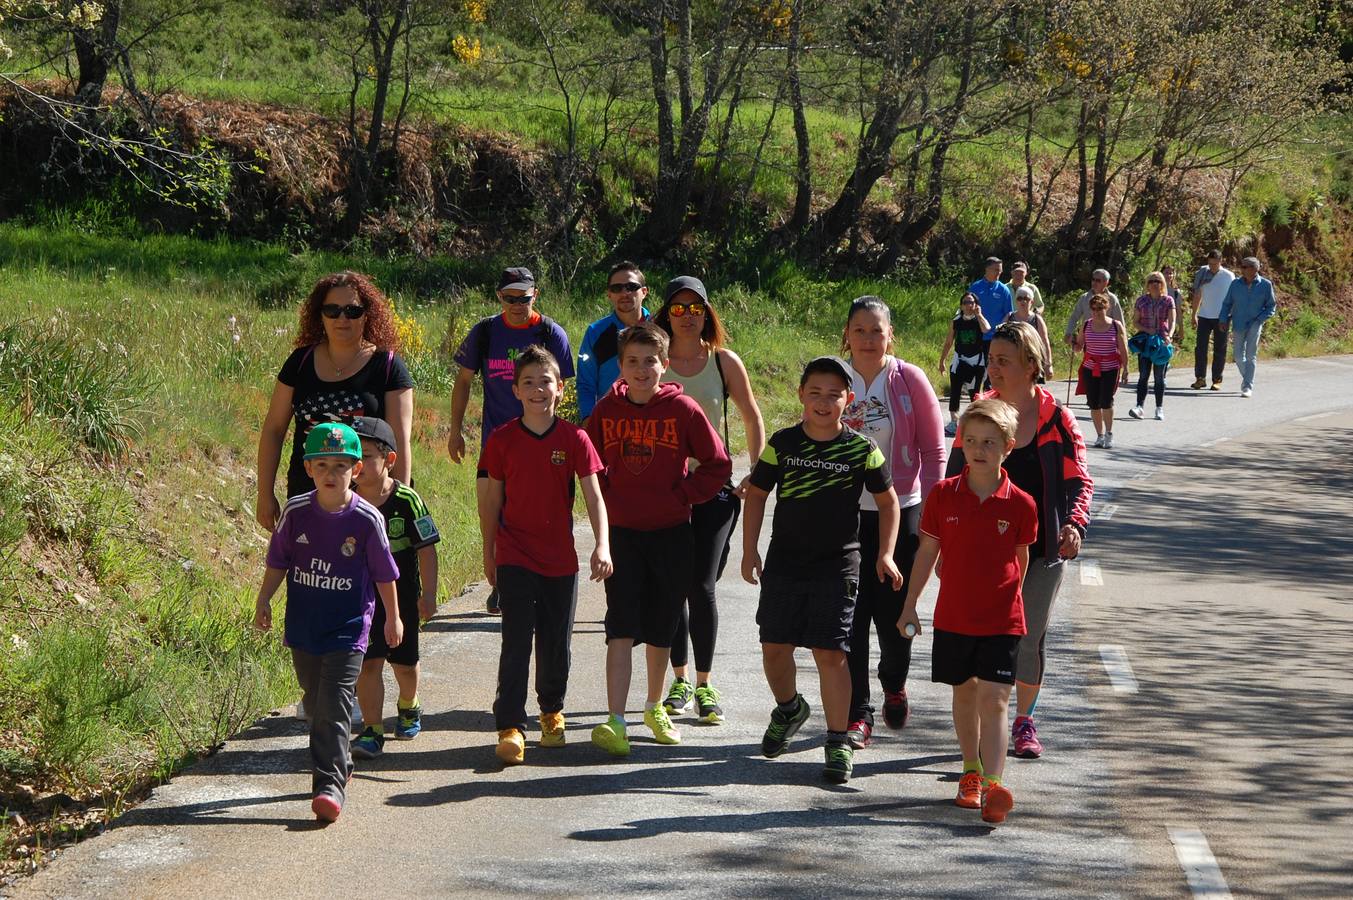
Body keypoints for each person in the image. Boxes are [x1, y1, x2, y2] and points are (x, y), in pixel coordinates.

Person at [742, 356, 903, 785]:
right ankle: (790, 708)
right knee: (775, 648)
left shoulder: (861, 449)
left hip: (838, 567)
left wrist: (885, 554)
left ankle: (837, 742)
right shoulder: (782, 443)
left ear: (848, 401)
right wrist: (749, 550)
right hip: (784, 564)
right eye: (815, 392)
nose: (824, 401)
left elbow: (889, 503)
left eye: (834, 394)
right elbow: (756, 495)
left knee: (831, 655)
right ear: (801, 395)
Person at [945, 321, 1092, 760]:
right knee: (983, 637)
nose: (993, 369)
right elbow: (953, 478)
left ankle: (1023, 720)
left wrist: (1075, 525)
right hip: (981, 552)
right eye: (991, 361)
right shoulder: (979, 411)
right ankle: (986, 722)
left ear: (1031, 365)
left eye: (1003, 361)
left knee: (1027, 636)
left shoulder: (1056, 418)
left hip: (1044, 548)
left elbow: (1080, 479)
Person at [585, 322, 731, 756]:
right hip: (623, 535)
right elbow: (587, 463)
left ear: (665, 365)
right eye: (632, 361)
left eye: (650, 361)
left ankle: (653, 707)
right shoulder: (606, 412)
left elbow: (717, 464)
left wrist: (682, 494)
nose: (642, 369)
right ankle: (614, 720)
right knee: (620, 627)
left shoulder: (683, 410)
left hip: (671, 534)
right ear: (621, 367)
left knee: (662, 628)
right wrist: (605, 499)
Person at [898, 398, 1038, 825]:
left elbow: (1021, 559)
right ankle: (970, 772)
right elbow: (926, 553)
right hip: (954, 616)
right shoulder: (943, 495)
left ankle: (994, 783)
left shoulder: (1022, 504)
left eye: (990, 443)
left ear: (1008, 447)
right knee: (964, 692)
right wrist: (909, 606)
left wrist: (1009, 600)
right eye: (971, 440)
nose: (978, 450)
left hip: (1001, 618)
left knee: (996, 699)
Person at [253, 422, 401, 823]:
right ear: (309, 468)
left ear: (356, 470)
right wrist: (264, 600)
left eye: (341, 465)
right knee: (316, 705)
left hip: (350, 628)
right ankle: (340, 762)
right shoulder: (297, 513)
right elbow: (277, 562)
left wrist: (394, 618)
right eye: (323, 465)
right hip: (304, 627)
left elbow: (384, 574)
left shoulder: (368, 520)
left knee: (335, 705)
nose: (331, 474)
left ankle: (328, 785)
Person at [479, 346, 612, 765]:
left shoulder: (575, 438)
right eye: (529, 382)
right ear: (516, 390)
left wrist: (602, 544)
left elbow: (594, 495)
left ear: (560, 389)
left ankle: (552, 712)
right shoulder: (502, 440)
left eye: (546, 382)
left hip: (560, 560)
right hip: (515, 554)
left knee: (556, 643)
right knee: (516, 641)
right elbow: (490, 500)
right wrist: (490, 552)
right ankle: (510, 726)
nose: (538, 389)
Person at [654, 276, 765, 725]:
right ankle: (684, 680)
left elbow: (752, 416)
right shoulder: (655, 363)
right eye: (677, 309)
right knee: (680, 586)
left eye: (694, 307)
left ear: (707, 312)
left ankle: (703, 683)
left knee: (702, 585)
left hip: (716, 491)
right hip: (666, 494)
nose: (687, 316)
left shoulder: (722, 361)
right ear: (665, 315)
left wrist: (758, 472)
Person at [839, 297, 945, 749]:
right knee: (850, 617)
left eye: (875, 331)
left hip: (901, 509)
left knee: (893, 614)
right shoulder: (833, 379)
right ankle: (858, 712)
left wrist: (936, 515)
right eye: (859, 330)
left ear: (890, 335)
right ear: (847, 334)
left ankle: (894, 682)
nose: (867, 339)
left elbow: (934, 451)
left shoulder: (909, 379)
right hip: (843, 512)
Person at [449, 266, 574, 614]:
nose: (518, 305)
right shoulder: (486, 332)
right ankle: (502, 583)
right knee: (494, 513)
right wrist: (455, 429)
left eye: (524, 297)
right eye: (510, 298)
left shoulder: (551, 333)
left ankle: (547, 582)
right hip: (496, 442)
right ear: (499, 297)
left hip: (541, 441)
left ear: (536, 296)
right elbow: (463, 382)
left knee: (542, 511)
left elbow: (562, 388)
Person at [256, 271, 413, 531]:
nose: (342, 318)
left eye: (352, 311)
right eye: (332, 310)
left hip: (368, 507)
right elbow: (274, 429)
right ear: (320, 314)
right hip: (306, 501)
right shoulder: (300, 362)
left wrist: (400, 501)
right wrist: (264, 493)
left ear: (367, 314)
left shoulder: (388, 367)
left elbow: (400, 441)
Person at [347, 417, 440, 761]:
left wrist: (428, 595)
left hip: (402, 598)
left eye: (367, 455)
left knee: (403, 664)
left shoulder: (407, 500)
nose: (358, 465)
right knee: (367, 665)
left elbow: (427, 549)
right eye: (354, 456)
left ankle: (408, 703)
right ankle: (372, 730)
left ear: (389, 460)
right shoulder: (346, 501)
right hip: (362, 600)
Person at [577, 262, 651, 426]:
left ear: (644, 292)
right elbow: (585, 384)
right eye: (617, 288)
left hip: (655, 420)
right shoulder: (595, 332)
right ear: (609, 294)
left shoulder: (659, 328)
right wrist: (589, 419)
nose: (624, 293)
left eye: (631, 287)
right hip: (610, 422)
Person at [1073, 294, 1130, 448]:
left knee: (1106, 401)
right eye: (1094, 309)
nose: (1097, 312)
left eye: (1100, 308)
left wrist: (1126, 368)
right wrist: (1075, 345)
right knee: (1093, 403)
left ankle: (1109, 433)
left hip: (1110, 368)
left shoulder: (1115, 325)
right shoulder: (1086, 325)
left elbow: (1123, 348)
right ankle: (1099, 435)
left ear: (1106, 308)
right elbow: (1079, 345)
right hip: (1090, 368)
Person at [1218, 256, 1276, 399]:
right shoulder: (1235, 284)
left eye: (1245, 267)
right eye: (1241, 266)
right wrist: (1223, 319)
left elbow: (1271, 306)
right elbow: (1227, 303)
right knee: (1238, 356)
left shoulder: (1266, 285)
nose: (1241, 269)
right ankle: (1248, 378)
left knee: (1251, 356)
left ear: (1254, 269)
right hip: (1238, 323)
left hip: (1255, 324)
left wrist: (1260, 320)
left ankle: (1247, 386)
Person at [938, 292, 991, 437]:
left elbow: (987, 329)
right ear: (961, 305)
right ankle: (954, 422)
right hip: (959, 360)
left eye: (972, 302)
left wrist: (979, 315)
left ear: (976, 305)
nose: (969, 305)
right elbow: (949, 342)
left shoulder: (979, 320)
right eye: (966, 302)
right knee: (955, 390)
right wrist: (942, 360)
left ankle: (975, 423)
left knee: (974, 394)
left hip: (976, 362)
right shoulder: (956, 321)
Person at [1127, 271, 1176, 421]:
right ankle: (1139, 407)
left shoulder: (1168, 300)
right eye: (1152, 281)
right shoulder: (1141, 301)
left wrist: (1170, 335)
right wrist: (1147, 330)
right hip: (1146, 342)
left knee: (1159, 377)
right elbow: (1135, 322)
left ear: (1162, 284)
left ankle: (1159, 408)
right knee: (1143, 376)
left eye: (1158, 281)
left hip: (1161, 342)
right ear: (1147, 284)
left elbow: (1173, 321)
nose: (1155, 284)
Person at [1189, 250, 1235, 391]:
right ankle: (1200, 378)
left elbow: (1233, 297)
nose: (1212, 267)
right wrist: (1194, 314)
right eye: (1210, 263)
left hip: (1222, 317)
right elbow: (1198, 294)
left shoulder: (1228, 276)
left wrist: (1231, 315)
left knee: (1219, 349)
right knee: (1200, 348)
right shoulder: (1203, 273)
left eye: (1215, 264)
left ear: (1221, 261)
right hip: (1204, 315)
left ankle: (1217, 380)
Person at [1003, 286, 1054, 383]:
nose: (1023, 301)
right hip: (1013, 361)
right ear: (1016, 301)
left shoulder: (1037, 319)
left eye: (1026, 298)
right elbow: (1000, 339)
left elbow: (1045, 342)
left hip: (1033, 361)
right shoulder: (1009, 317)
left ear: (1032, 302)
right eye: (1019, 298)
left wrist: (1049, 364)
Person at [968, 256, 1014, 365]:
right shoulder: (975, 287)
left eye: (1000, 270)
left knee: (992, 368)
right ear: (987, 269)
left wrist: (1000, 329)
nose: (999, 273)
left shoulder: (1004, 290)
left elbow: (1009, 312)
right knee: (976, 369)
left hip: (995, 337)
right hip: (976, 336)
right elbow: (967, 309)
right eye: (996, 270)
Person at [1062, 268, 1125, 346]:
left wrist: (1122, 343)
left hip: (1107, 343)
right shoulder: (1084, 298)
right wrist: (1069, 333)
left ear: (1106, 283)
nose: (1094, 282)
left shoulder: (1112, 299)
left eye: (1098, 280)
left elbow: (1120, 322)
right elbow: (1074, 317)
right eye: (1093, 279)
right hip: (1089, 341)